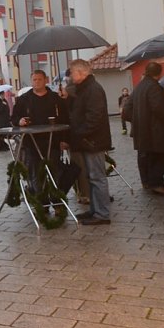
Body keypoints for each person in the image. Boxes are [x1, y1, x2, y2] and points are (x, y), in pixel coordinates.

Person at [66, 59, 113, 225]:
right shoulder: (84, 88)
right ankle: (95, 210)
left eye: (72, 72)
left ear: (81, 73)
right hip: (87, 141)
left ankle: (102, 214)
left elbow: (94, 117)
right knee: (91, 177)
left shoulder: (93, 89)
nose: (71, 76)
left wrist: (79, 133)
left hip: (93, 141)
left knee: (97, 177)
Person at [10, 70, 69, 195]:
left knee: (54, 171)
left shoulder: (55, 98)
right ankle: (40, 200)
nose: (37, 82)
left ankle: (56, 198)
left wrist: (64, 140)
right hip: (32, 142)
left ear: (45, 80)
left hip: (53, 141)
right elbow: (14, 118)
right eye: (34, 80)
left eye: (39, 79)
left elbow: (65, 119)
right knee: (35, 173)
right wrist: (19, 121)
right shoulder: (24, 99)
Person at [125, 62, 164, 195]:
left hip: (143, 131)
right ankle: (155, 182)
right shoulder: (154, 87)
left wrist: (137, 121)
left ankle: (153, 182)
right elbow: (160, 109)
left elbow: (126, 109)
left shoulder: (139, 87)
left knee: (152, 157)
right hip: (156, 131)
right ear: (159, 73)